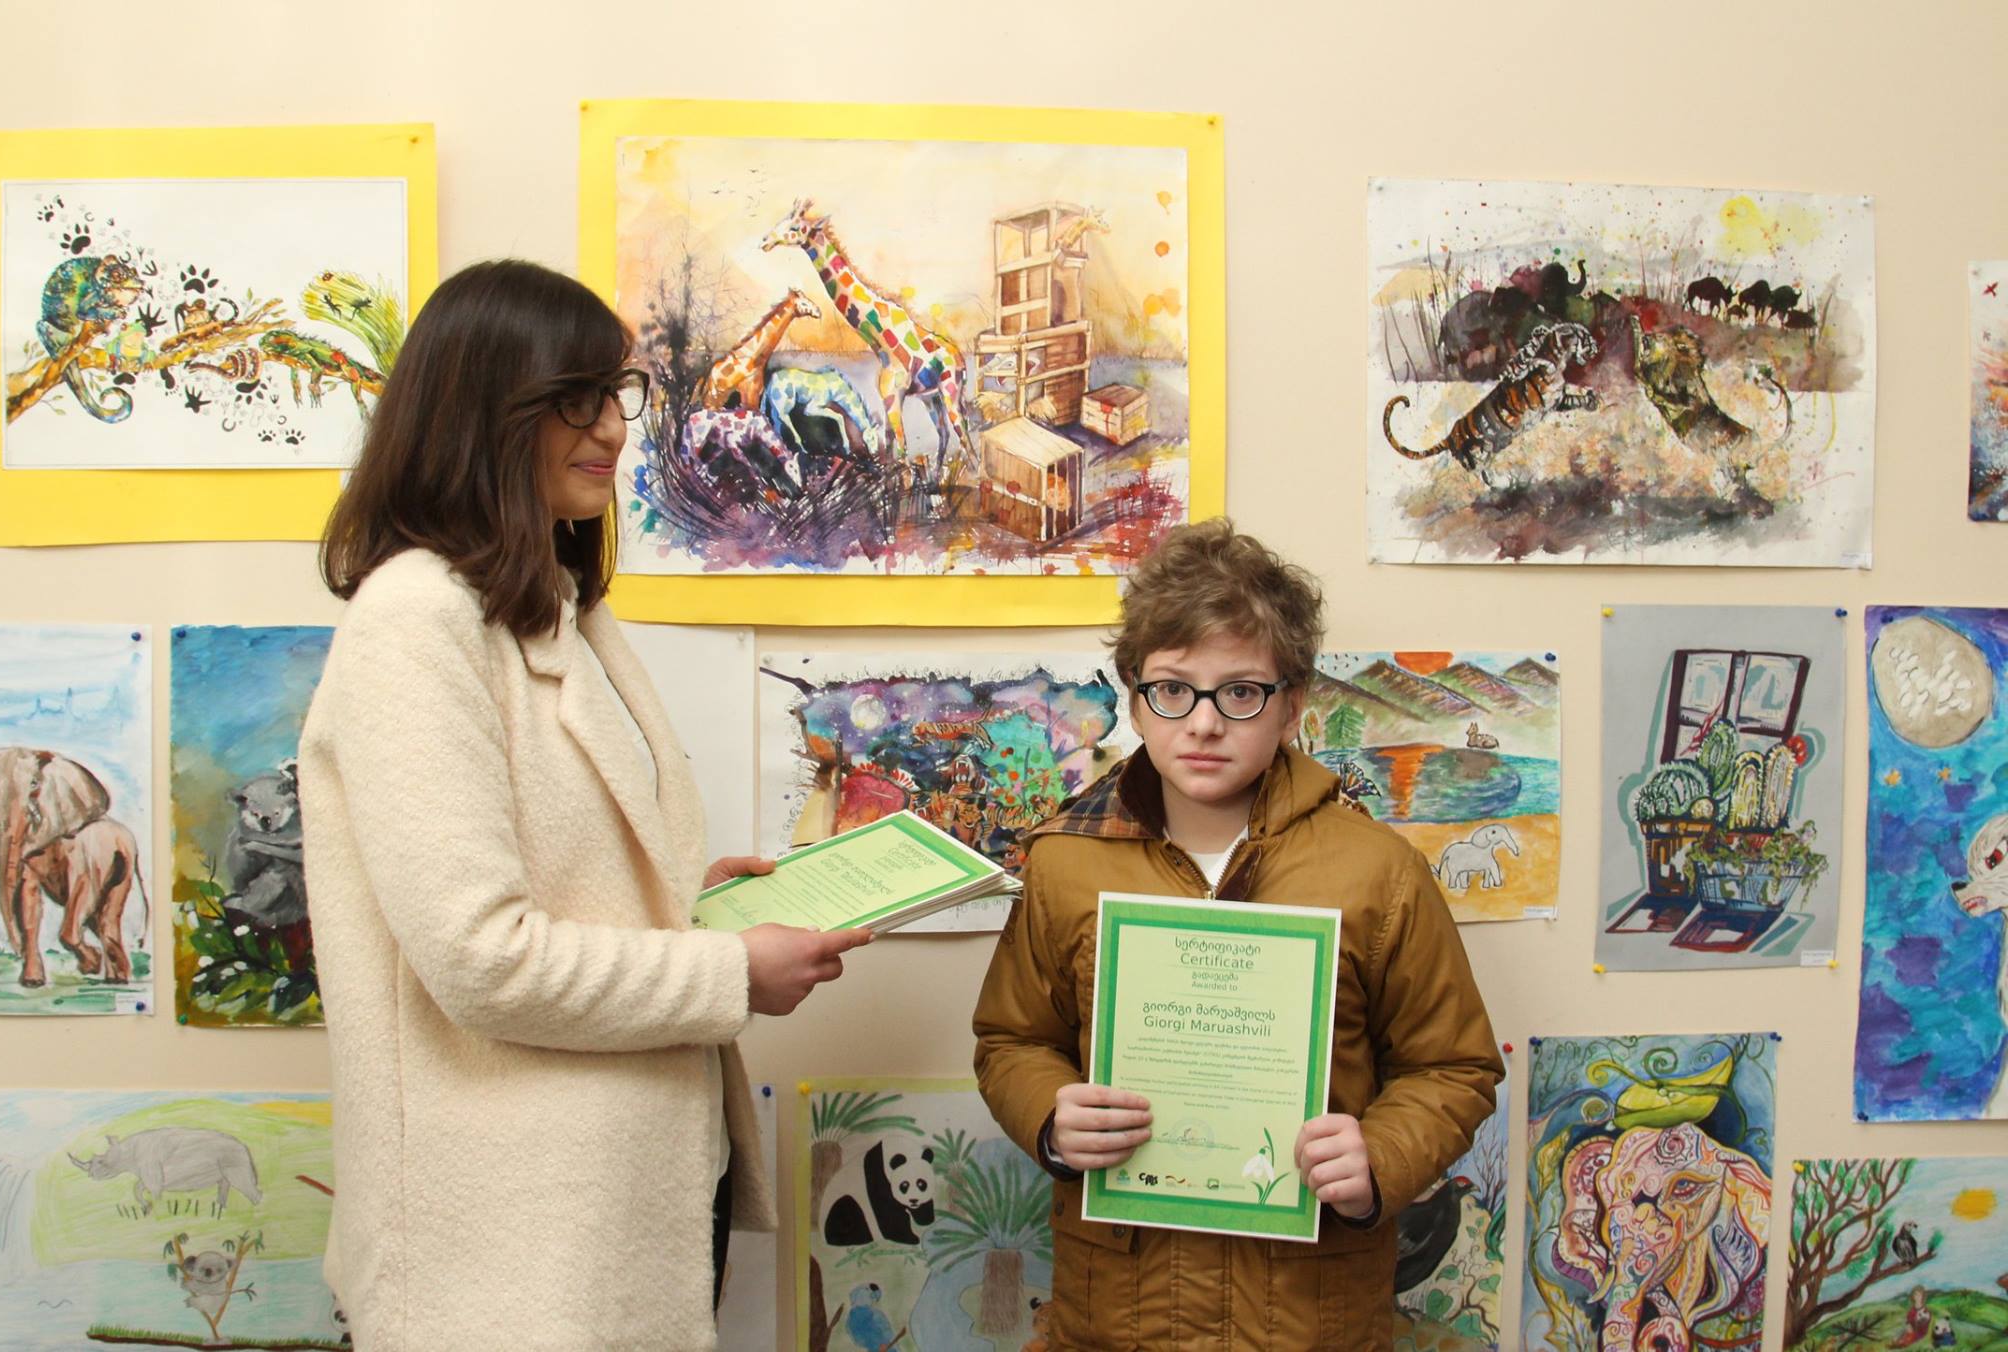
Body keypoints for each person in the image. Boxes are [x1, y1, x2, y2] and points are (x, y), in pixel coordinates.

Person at [300, 258, 870, 1350]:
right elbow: (480, 956)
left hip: (617, 1206)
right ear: (480, 410)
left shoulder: (550, 604)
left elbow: (560, 876)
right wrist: (729, 971)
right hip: (509, 1246)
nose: (613, 426)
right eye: (576, 398)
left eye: (617, 393)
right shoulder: (415, 619)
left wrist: (687, 902)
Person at [972, 518, 1502, 1347]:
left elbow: (1455, 1066)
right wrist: (1050, 1115)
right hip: (1116, 1312)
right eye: (1173, 689)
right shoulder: (1067, 860)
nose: (1204, 723)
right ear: (1133, 694)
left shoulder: (1378, 871)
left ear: (1292, 704)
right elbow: (1012, 1040)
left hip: (1311, 1315)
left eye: (1241, 693)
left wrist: (1380, 1157)